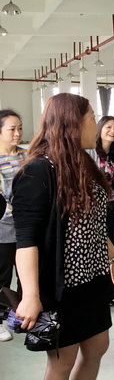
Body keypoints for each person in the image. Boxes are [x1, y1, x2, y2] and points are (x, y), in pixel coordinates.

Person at [12, 93, 114, 380]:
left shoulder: (84, 164)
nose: (97, 124)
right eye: (92, 117)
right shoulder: (37, 171)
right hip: (61, 286)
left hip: (92, 279)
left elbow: (91, 223)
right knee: (62, 362)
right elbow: (26, 240)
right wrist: (31, 296)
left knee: (97, 346)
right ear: (73, 123)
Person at [88, 116, 114, 307]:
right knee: (99, 249)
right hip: (95, 209)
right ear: (100, 129)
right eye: (108, 127)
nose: (112, 131)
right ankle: (98, 292)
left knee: (112, 247)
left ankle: (109, 292)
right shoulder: (91, 153)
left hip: (111, 207)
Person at [0, 109, 27, 342]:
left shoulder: (27, 157)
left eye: (19, 128)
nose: (17, 133)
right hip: (2, 227)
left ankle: (22, 317)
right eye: (12, 129)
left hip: (27, 225)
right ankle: (0, 320)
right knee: (2, 276)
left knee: (27, 274)